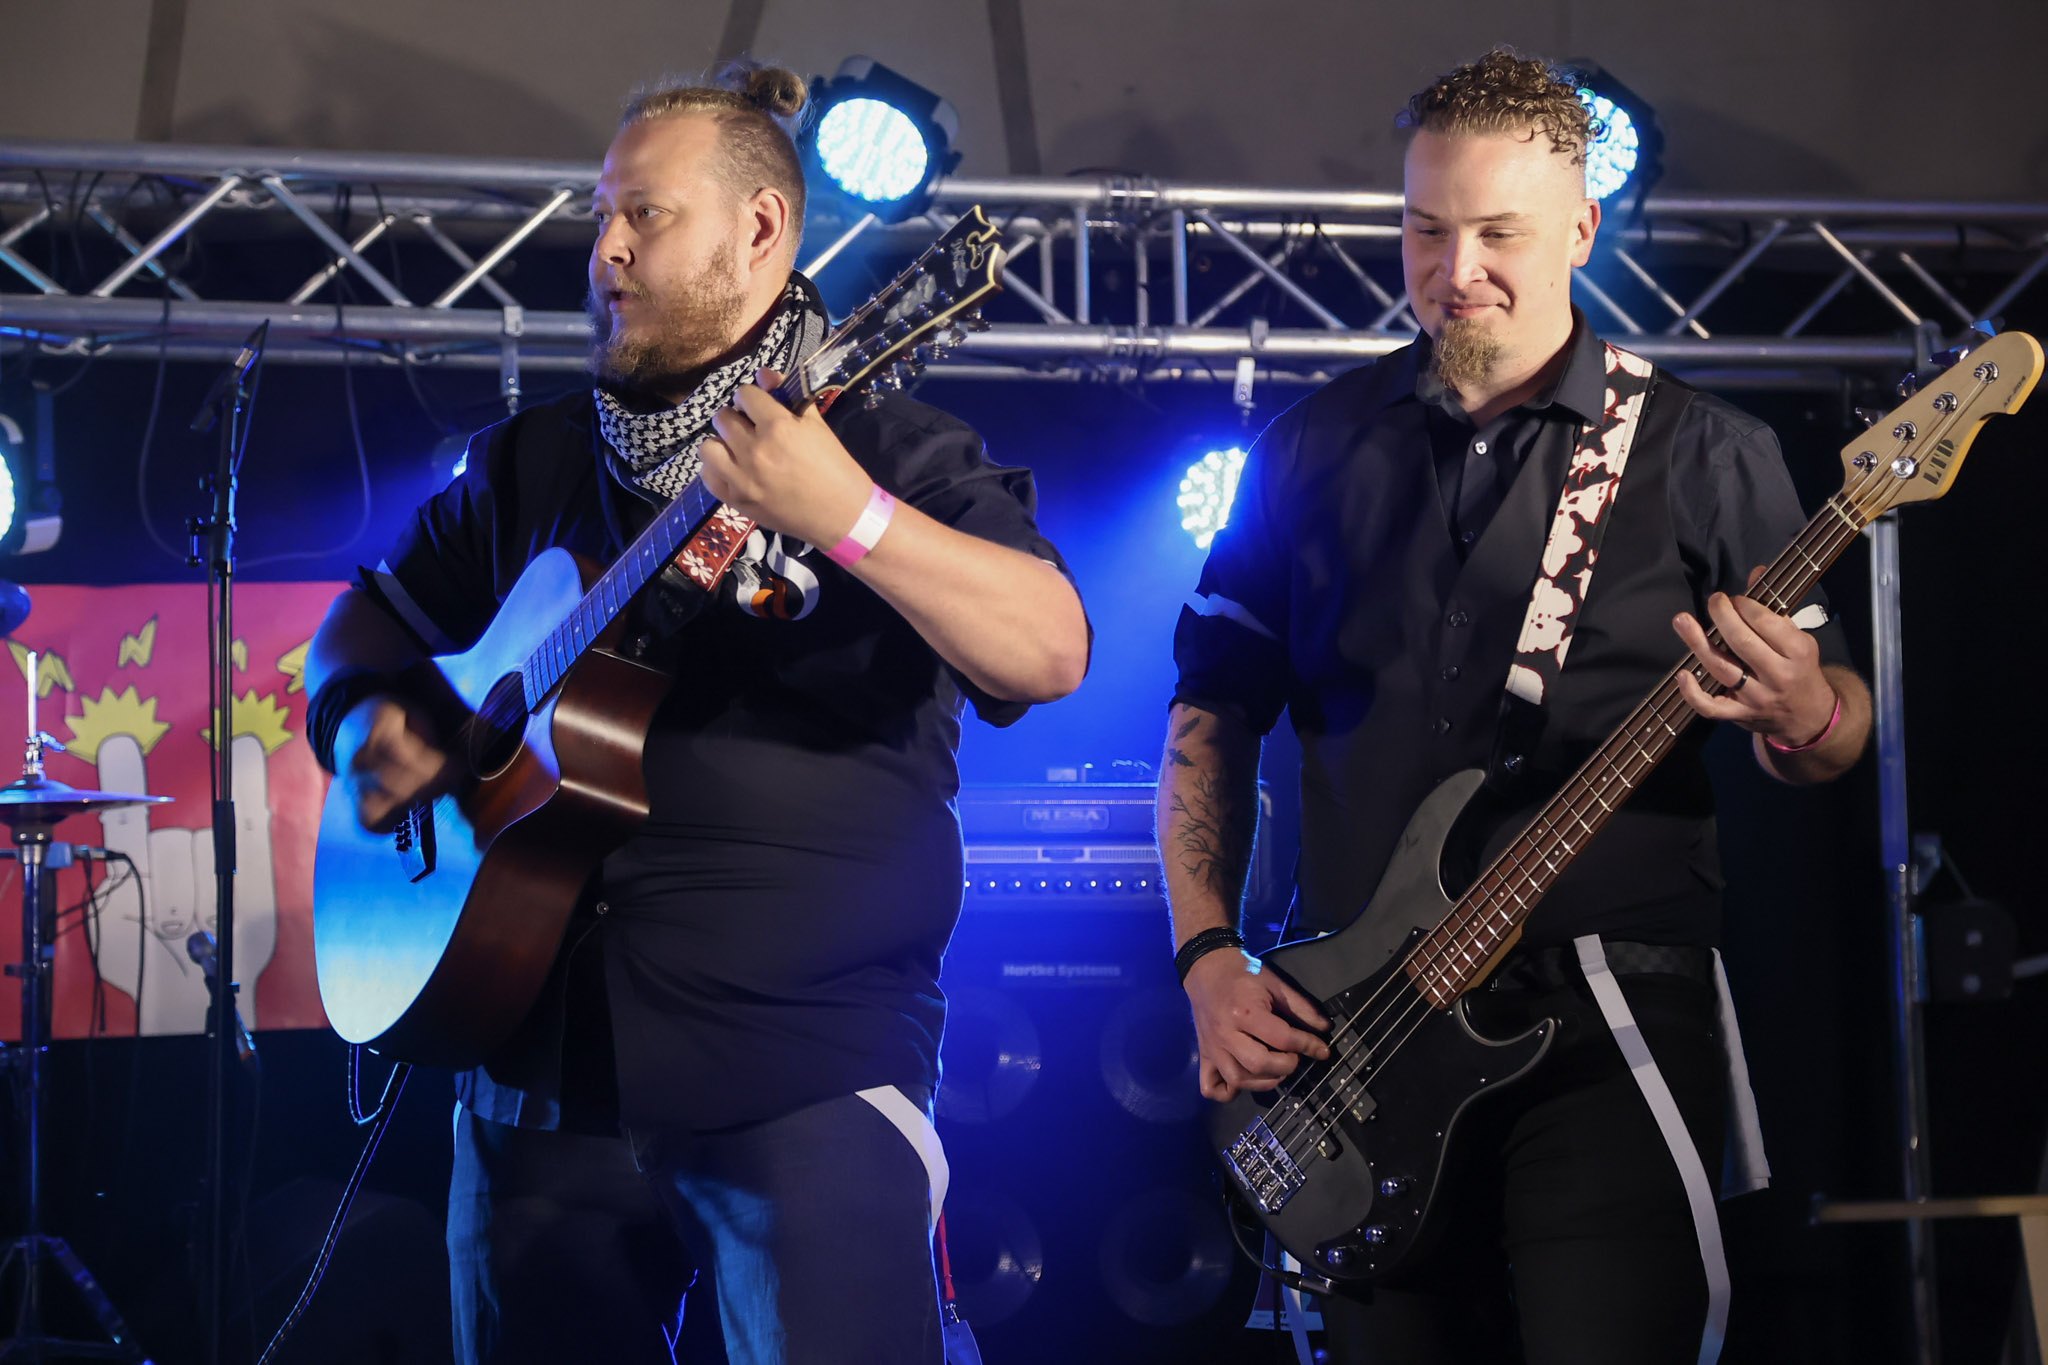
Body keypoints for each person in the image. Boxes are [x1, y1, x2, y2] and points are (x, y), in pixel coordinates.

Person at [303, 62, 1089, 1365]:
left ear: (761, 230)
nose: (605, 250)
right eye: (601, 218)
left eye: (646, 216)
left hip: (802, 1068)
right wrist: (363, 725)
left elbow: (1050, 648)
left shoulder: (890, 450)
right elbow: (360, 624)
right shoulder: (533, 462)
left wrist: (848, 517)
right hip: (530, 1071)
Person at [1159, 47, 1871, 1365]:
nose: (1457, 269)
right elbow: (1209, 716)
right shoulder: (1306, 449)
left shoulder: (1707, 454)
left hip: (1607, 1015)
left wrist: (1803, 712)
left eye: (1500, 233)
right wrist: (1206, 957)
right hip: (1362, 1038)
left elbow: (1827, 740)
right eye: (1427, 230)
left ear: (1582, 230)